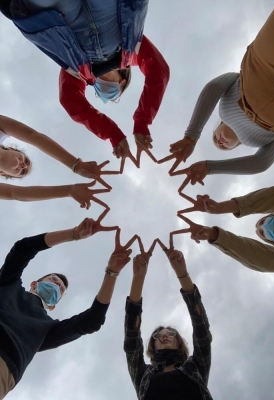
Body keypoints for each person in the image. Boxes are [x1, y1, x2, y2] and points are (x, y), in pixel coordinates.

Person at [1, 0, 170, 167]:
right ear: (122, 80)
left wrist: (113, 134)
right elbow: (158, 72)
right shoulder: (132, 48)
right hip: (110, 14)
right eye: (111, 92)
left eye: (99, 92)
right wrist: (142, 123)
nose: (99, 89)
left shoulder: (79, 71)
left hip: (61, 16)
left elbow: (72, 103)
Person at [0, 209, 139, 399]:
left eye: (61, 290)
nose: (58, 285)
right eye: (54, 280)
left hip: (5, 365)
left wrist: (112, 272)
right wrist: (74, 234)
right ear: (34, 283)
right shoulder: (9, 284)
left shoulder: (47, 329)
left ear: (54, 305)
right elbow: (22, 249)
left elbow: (92, 321)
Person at [160, 0, 274, 184]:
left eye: (214, 138)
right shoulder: (262, 142)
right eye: (225, 148)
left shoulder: (224, 104)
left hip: (264, 69)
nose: (219, 143)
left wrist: (192, 135)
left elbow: (214, 87)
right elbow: (262, 162)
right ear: (238, 144)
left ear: (218, 125)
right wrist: (210, 167)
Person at [124, 238, 213, 399]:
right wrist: (138, 277)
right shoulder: (144, 375)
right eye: (157, 335)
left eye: (171, 333)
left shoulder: (195, 366)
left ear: (179, 341)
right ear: (153, 345)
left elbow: (202, 332)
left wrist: (181, 273)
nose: (164, 335)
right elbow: (132, 342)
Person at [173, 186, 274, 273]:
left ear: (272, 214)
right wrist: (215, 235)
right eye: (262, 232)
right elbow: (261, 259)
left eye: (261, 222)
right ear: (270, 241)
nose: (262, 226)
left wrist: (222, 207)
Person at [0, 115, 118, 185]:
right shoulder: (2, 129)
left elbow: (14, 194)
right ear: (12, 149)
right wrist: (75, 165)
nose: (24, 166)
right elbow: (34, 136)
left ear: (3, 174)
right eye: (26, 160)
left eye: (22, 172)